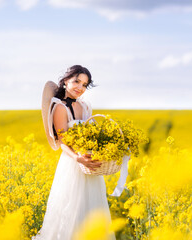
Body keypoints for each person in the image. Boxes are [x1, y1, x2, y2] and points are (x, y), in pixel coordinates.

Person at [34, 65, 116, 240]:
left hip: (89, 165)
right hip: (72, 164)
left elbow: (89, 133)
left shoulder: (85, 106)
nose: (80, 87)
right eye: (77, 81)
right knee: (70, 208)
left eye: (85, 85)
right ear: (66, 81)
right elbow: (62, 141)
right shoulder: (59, 108)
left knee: (92, 207)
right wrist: (78, 158)